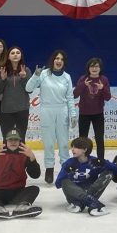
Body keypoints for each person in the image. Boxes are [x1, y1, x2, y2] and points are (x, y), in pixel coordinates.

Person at [26, 50, 77, 184]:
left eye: (61, 59)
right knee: (48, 143)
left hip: (62, 111)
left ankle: (65, 169)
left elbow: (70, 98)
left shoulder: (67, 77)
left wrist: (73, 114)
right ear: (52, 60)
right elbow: (28, 88)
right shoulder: (43, 74)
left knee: (63, 143)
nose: (59, 61)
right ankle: (49, 169)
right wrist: (35, 76)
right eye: (56, 58)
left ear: (64, 62)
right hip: (47, 110)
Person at [0, 128, 43, 219]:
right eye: (10, 139)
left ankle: (22, 207)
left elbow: (36, 175)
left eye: (16, 139)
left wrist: (32, 158)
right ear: (6, 141)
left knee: (34, 189)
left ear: (20, 141)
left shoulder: (24, 155)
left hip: (18, 193)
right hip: (0, 192)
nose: (13, 142)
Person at [55, 137, 117, 216]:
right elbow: (58, 184)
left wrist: (104, 162)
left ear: (85, 150)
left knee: (109, 173)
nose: (72, 149)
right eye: (72, 147)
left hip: (91, 192)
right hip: (74, 196)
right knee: (64, 181)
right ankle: (93, 203)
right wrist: (66, 172)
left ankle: (82, 203)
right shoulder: (69, 163)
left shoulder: (94, 162)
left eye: (76, 147)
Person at [74, 57, 112, 160]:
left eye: (96, 66)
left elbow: (108, 98)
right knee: (82, 140)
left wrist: (102, 88)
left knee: (99, 139)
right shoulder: (83, 78)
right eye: (92, 66)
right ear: (88, 68)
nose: (94, 68)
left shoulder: (104, 79)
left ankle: (101, 161)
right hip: (84, 114)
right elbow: (74, 95)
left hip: (98, 114)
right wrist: (83, 85)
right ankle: (82, 159)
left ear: (100, 68)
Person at [0, 46, 30, 138]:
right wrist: (3, 79)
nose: (15, 55)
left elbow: (29, 90)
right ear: (8, 57)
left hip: (22, 109)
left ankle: (21, 153)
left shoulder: (26, 70)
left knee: (21, 138)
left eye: (18, 53)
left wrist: (23, 78)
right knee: (7, 138)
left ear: (21, 56)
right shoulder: (3, 71)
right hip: (6, 110)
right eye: (12, 53)